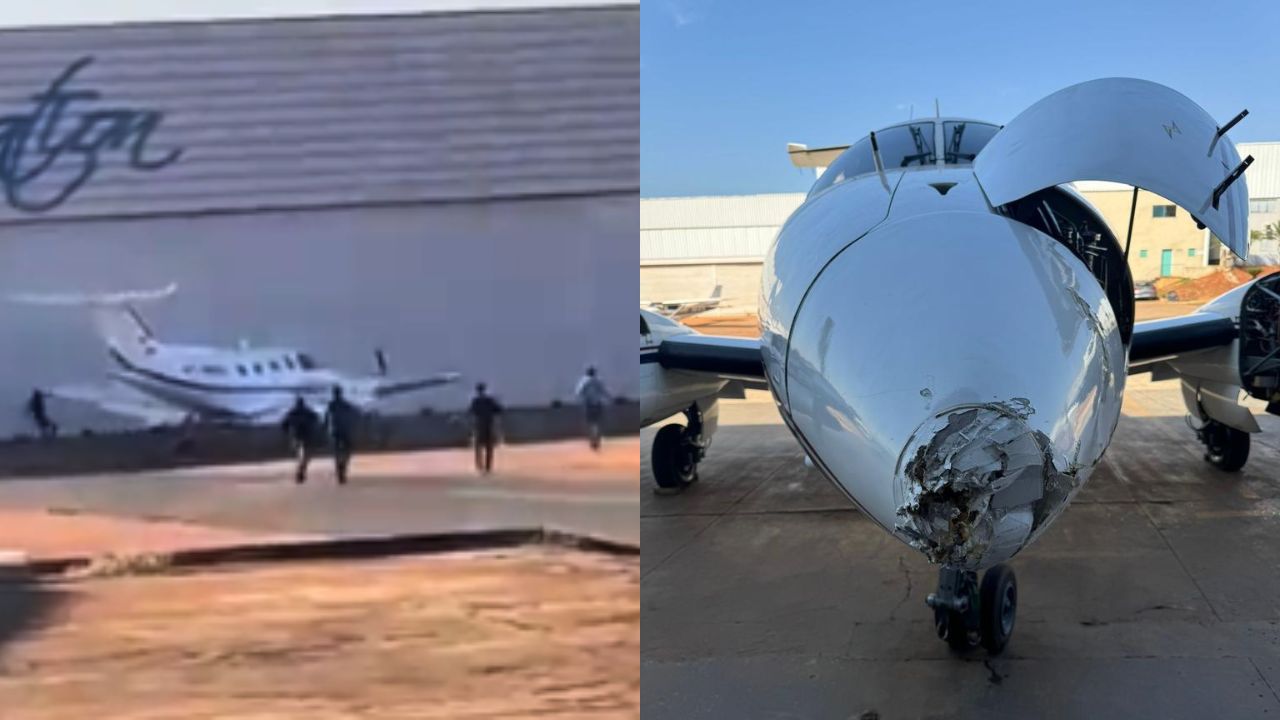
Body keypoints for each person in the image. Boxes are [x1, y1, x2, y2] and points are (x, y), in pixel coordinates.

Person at [323, 386, 359, 484]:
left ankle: (339, 468)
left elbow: (326, 418)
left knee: (336, 451)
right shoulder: (345, 404)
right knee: (348, 450)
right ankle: (343, 467)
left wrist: (325, 429)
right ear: (341, 393)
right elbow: (355, 414)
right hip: (345, 431)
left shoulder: (331, 405)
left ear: (333, 394)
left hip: (335, 431)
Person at [281, 396, 320, 483]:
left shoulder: (293, 412)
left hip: (297, 437)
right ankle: (301, 471)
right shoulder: (307, 412)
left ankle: (300, 471)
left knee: (300, 455)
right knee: (306, 456)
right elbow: (317, 419)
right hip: (305, 437)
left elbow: (284, 424)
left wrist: (287, 432)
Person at [468, 382, 503, 474]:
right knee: (489, 447)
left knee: (478, 447)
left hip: (479, 425)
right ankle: (488, 466)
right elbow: (499, 410)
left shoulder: (475, 401)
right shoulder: (490, 400)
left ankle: (479, 465)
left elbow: (471, 412)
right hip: (489, 425)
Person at [575, 366, 609, 450]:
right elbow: (604, 391)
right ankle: (597, 440)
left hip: (588, 404)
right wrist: (609, 399)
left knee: (590, 423)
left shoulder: (584, 381)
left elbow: (579, 392)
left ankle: (592, 440)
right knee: (598, 423)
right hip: (597, 404)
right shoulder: (598, 380)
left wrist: (584, 399)